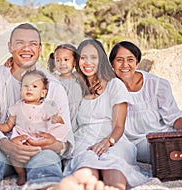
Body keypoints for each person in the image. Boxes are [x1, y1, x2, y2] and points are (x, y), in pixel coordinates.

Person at [0, 23, 74, 190]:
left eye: (33, 44)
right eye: (19, 43)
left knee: (47, 161)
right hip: (2, 147)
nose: (27, 48)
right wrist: (7, 145)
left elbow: (66, 135)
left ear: (40, 49)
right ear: (10, 47)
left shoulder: (54, 86)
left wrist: (51, 144)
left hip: (40, 149)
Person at [63, 39, 147, 190]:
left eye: (93, 57)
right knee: (85, 168)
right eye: (83, 57)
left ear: (101, 59)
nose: (88, 62)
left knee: (113, 166)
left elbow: (119, 126)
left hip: (114, 139)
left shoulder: (114, 85)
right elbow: (49, 80)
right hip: (84, 139)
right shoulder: (75, 86)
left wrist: (108, 141)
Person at [109, 41, 182, 163]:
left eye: (130, 60)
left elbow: (174, 117)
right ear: (112, 64)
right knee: (168, 151)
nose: (125, 65)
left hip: (166, 132)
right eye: (119, 60)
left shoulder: (156, 84)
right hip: (139, 143)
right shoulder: (108, 87)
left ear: (137, 62)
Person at [0, 70, 68, 186]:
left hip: (38, 140)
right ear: (21, 90)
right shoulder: (17, 107)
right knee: (14, 156)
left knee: (43, 156)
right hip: (21, 138)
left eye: (34, 86)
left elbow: (58, 120)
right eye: (25, 86)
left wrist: (57, 119)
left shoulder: (46, 107)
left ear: (43, 93)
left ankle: (38, 176)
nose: (29, 89)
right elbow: (8, 125)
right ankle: (21, 174)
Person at [48, 44, 83, 132]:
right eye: (58, 60)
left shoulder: (79, 77)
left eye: (66, 59)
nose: (62, 63)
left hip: (77, 122)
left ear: (74, 61)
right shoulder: (54, 79)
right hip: (61, 119)